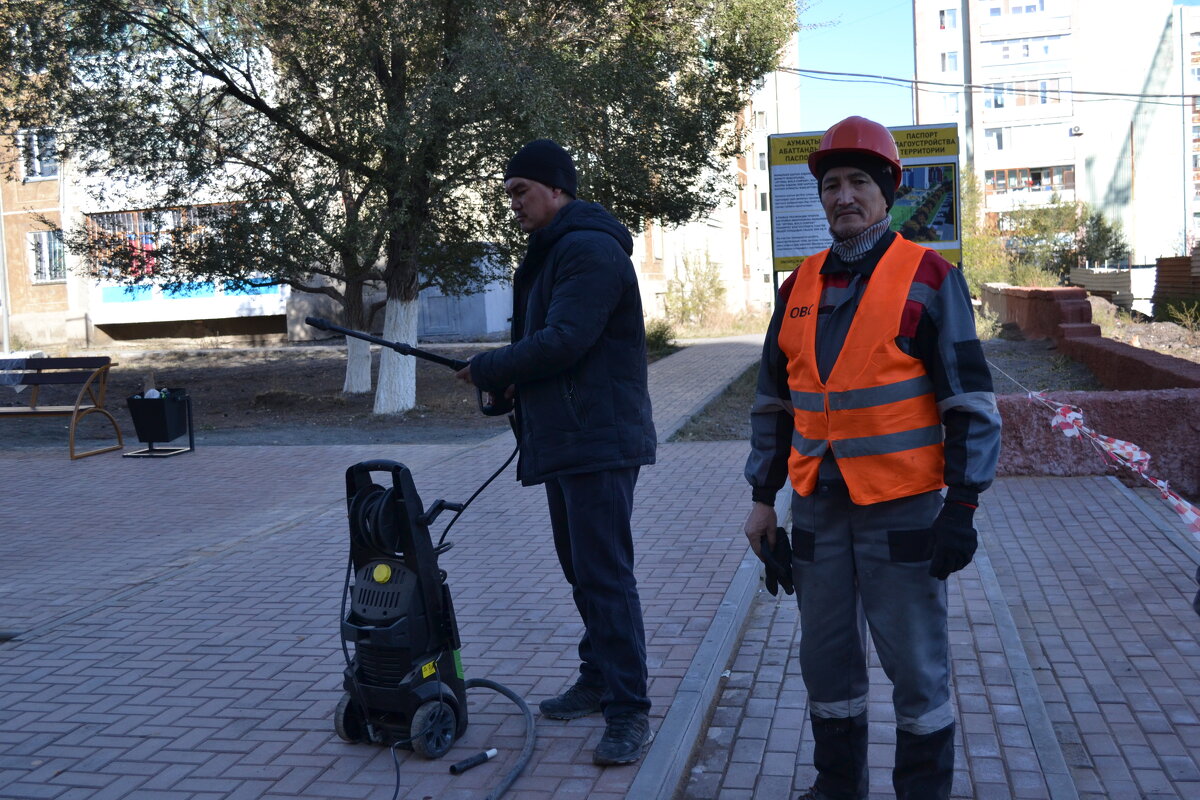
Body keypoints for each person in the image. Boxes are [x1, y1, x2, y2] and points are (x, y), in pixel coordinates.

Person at [743, 116, 1002, 800]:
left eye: (860, 181)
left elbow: (970, 404)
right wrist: (762, 501)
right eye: (832, 184)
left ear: (887, 192)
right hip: (818, 514)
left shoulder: (928, 277)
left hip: (905, 514)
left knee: (916, 668)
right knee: (826, 663)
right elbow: (775, 402)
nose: (844, 195)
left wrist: (964, 507)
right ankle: (839, 788)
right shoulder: (796, 287)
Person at [455, 138, 657, 766]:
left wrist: (491, 366)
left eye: (520, 191)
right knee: (583, 573)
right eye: (509, 193)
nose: (512, 204)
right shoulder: (554, 251)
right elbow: (560, 347)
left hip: (597, 439)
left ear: (557, 189)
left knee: (604, 576)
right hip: (572, 436)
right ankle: (598, 679)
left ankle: (628, 710)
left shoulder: (588, 249)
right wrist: (514, 379)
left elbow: (566, 339)